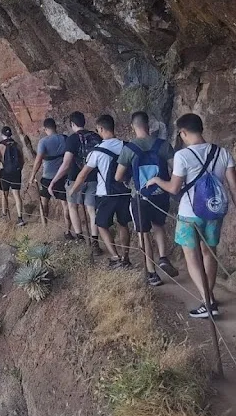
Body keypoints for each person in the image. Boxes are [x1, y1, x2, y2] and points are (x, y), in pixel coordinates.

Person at [146, 113, 236, 319]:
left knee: (191, 256)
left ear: (183, 133)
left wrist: (157, 180)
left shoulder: (182, 156)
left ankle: (208, 301)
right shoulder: (222, 153)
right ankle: (208, 297)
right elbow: (235, 187)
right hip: (214, 211)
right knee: (209, 253)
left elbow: (174, 188)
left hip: (189, 215)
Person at [115, 111, 178, 287]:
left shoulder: (129, 149)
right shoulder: (163, 145)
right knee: (159, 226)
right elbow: (175, 169)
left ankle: (152, 273)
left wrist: (130, 182)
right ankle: (164, 257)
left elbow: (118, 176)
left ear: (132, 126)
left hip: (140, 197)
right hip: (161, 194)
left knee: (143, 233)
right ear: (148, 125)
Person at [69, 114, 131, 269]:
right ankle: (126, 257)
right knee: (123, 224)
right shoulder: (127, 146)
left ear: (102, 129)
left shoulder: (97, 151)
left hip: (106, 194)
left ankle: (115, 257)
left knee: (102, 224)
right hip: (124, 192)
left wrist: (73, 191)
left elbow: (83, 174)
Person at [49, 111, 101, 250]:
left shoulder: (72, 139)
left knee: (73, 207)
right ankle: (95, 242)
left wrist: (54, 181)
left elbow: (66, 164)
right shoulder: (96, 136)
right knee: (92, 211)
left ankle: (80, 238)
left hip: (74, 179)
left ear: (72, 124)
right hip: (94, 178)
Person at [28, 118, 67, 224]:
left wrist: (32, 176)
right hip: (63, 176)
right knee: (66, 205)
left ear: (45, 129)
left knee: (44, 202)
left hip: (48, 176)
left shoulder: (43, 142)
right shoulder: (64, 138)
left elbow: (38, 161)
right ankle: (68, 229)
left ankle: (45, 225)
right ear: (56, 127)